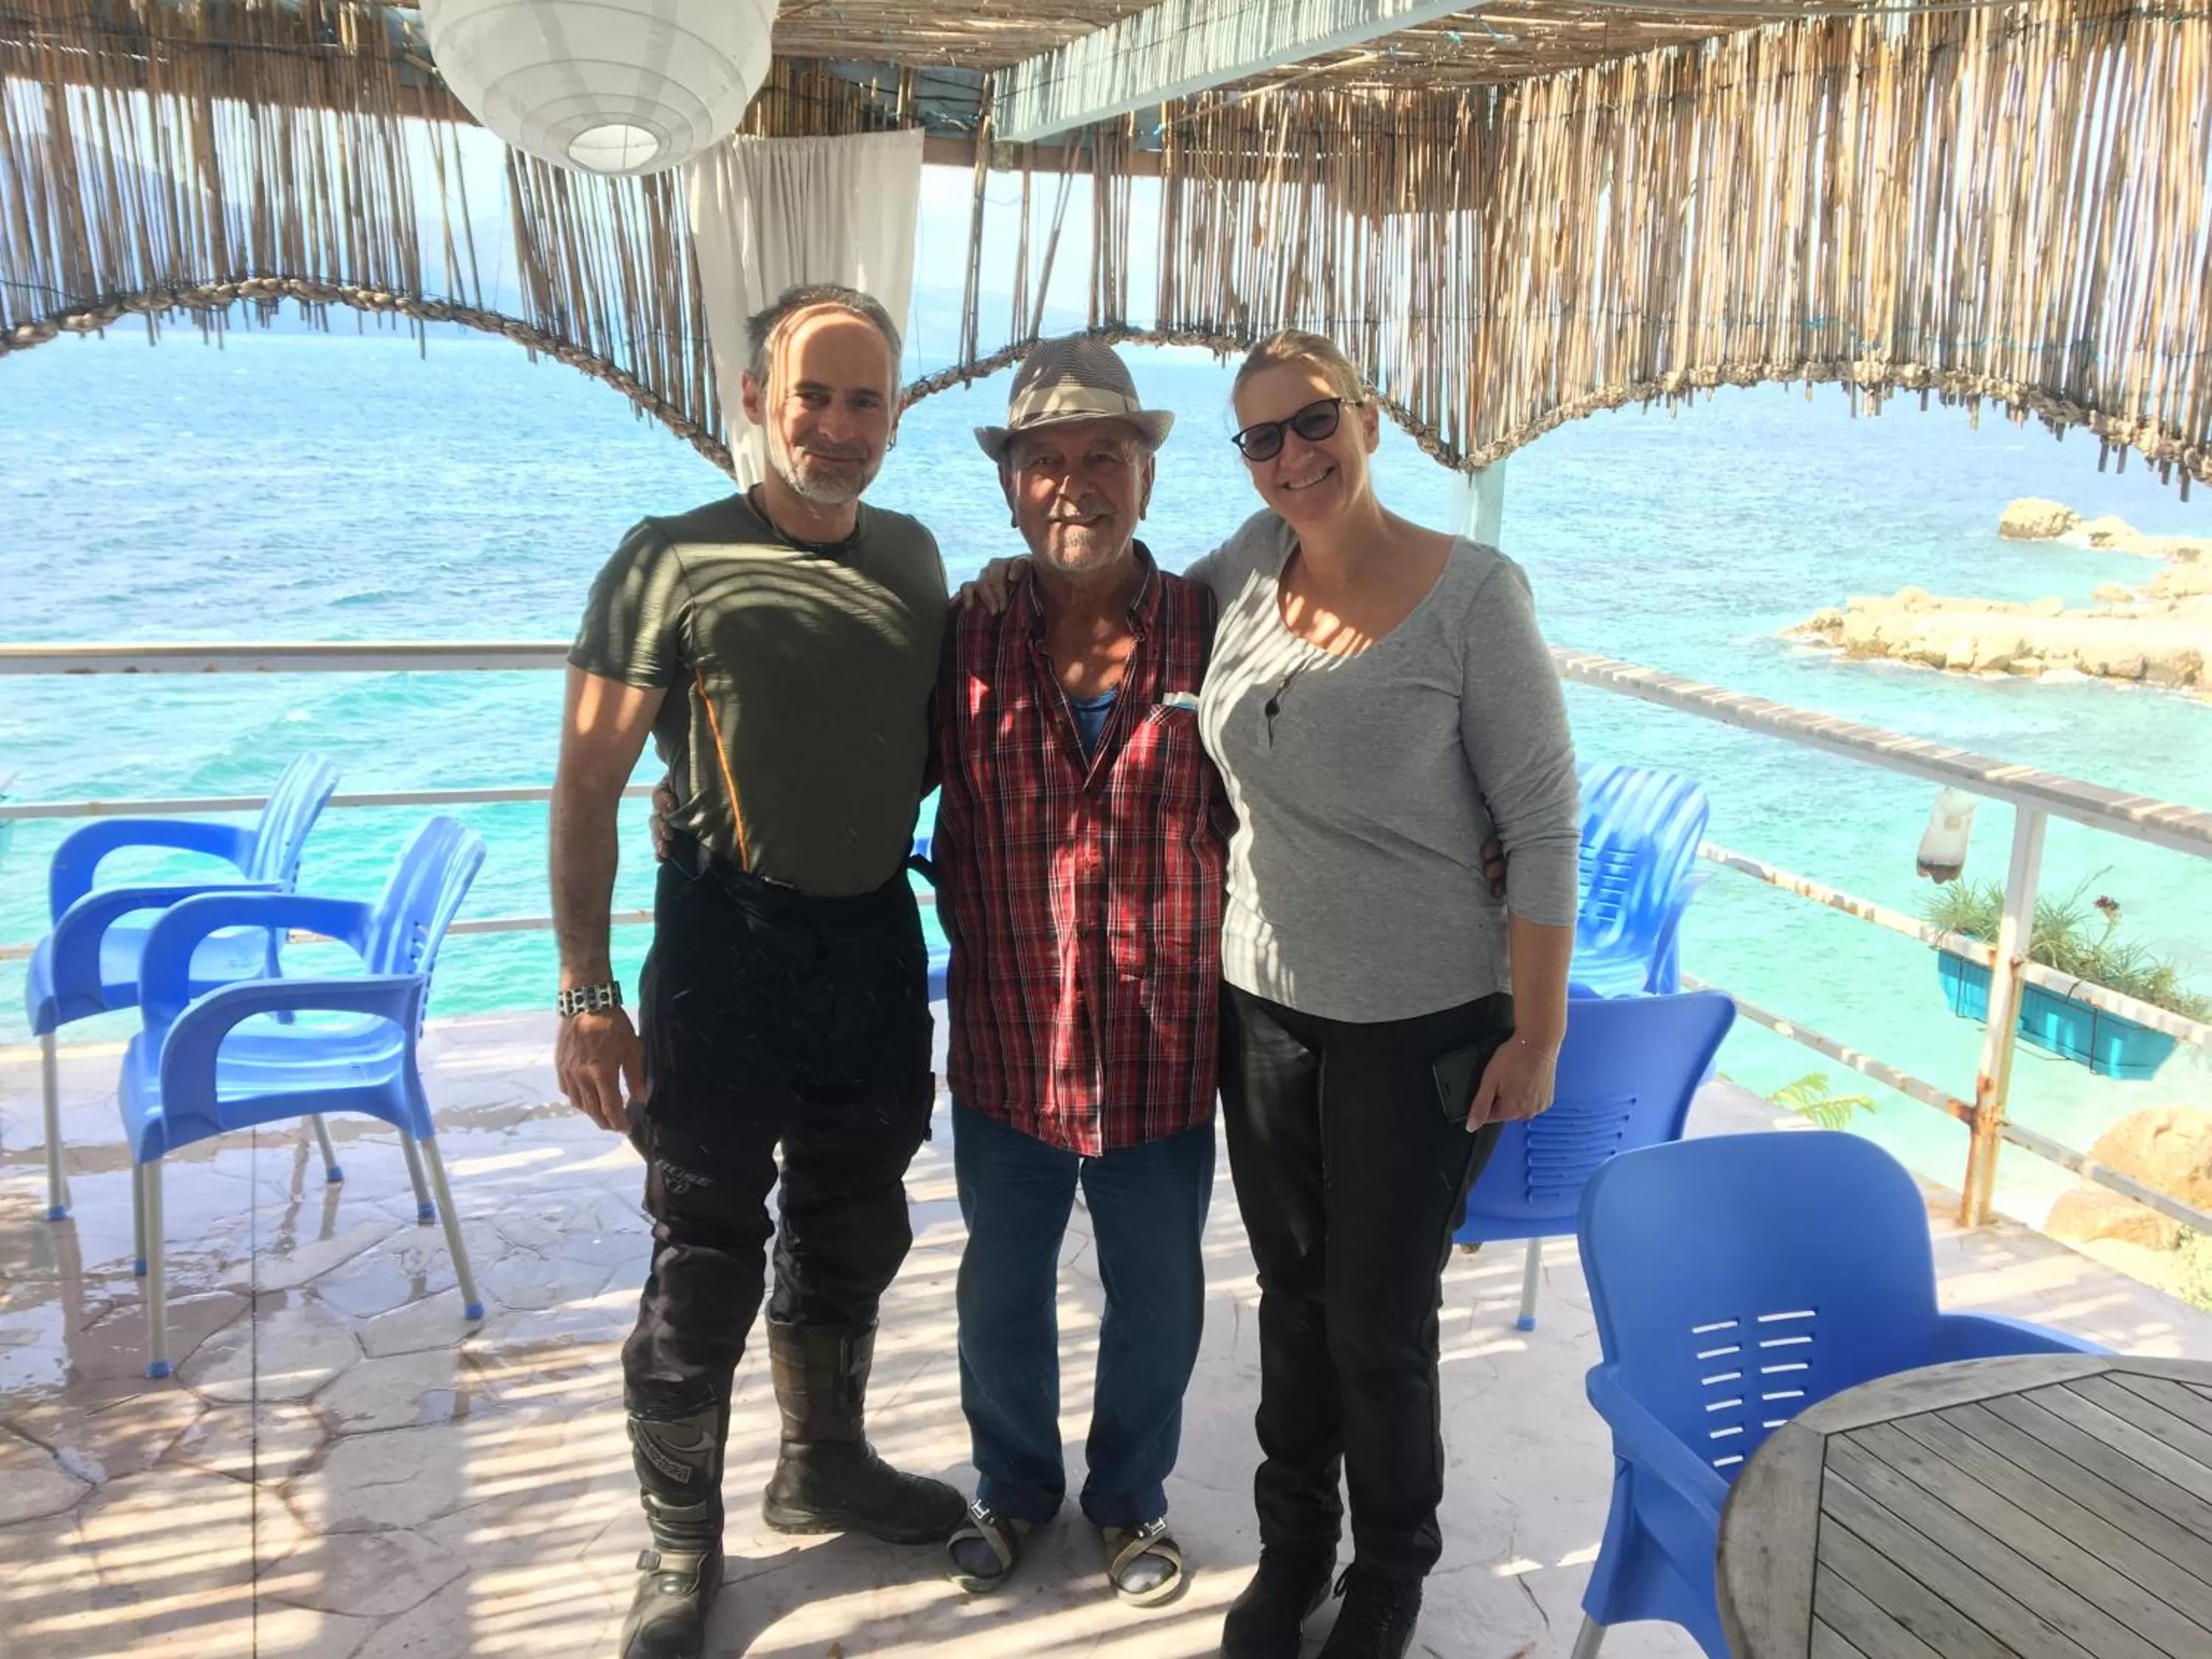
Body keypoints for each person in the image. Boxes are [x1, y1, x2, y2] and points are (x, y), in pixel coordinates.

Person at [551, 282, 965, 1659]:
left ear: (892, 415)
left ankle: (823, 1461)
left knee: (858, 1219)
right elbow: (590, 782)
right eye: (813, 397)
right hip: (725, 945)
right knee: (707, 1248)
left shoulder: (913, 558)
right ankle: (681, 1543)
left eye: (865, 401)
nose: (838, 427)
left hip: (870, 942)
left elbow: (928, 747)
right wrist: (586, 993)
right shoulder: (668, 558)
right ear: (755, 402)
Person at [1197, 330, 1579, 1659]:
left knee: (1377, 1314)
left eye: (1313, 423)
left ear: (1368, 419)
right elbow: (1118, 620)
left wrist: (1538, 1032)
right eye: (1262, 438)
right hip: (1263, 1009)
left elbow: (1539, 823)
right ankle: (1293, 1543)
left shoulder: (1474, 596)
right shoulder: (1245, 571)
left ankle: (1389, 1572)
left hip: (1422, 1021)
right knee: (1290, 1294)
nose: (1293, 456)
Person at [933, 337, 1228, 1607]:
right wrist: (695, 796)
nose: (1073, 484)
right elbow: (839, 748)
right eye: (1044, 461)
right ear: (1008, 488)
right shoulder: (964, 630)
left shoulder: (1213, 628)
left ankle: (1128, 1500)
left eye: (1102, 456)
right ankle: (1012, 1489)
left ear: (1147, 478)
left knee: (1156, 1302)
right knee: (999, 1291)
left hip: (1165, 1051)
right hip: (1010, 1044)